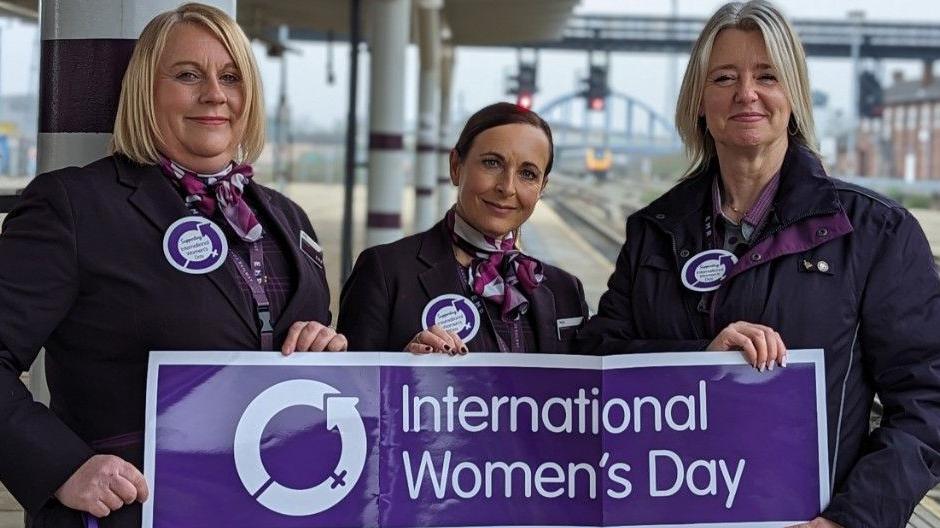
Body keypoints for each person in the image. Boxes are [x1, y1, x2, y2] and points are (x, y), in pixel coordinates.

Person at [577, 1, 940, 527]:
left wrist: (850, 519)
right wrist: (700, 358)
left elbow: (926, 398)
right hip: (669, 512)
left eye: (767, 75)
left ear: (792, 93)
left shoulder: (875, 232)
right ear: (699, 101)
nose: (746, 93)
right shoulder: (654, 231)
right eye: (724, 77)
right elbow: (597, 363)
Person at [0, 4, 345, 526]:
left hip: (275, 506)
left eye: (230, 77)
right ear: (145, 89)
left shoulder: (288, 220)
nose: (214, 94)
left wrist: (329, 352)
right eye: (188, 75)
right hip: (131, 514)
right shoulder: (75, 207)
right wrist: (62, 468)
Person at [338, 102, 588, 354]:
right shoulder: (385, 273)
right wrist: (403, 372)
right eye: (492, 163)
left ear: (542, 187)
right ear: (456, 166)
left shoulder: (565, 291)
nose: (507, 187)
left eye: (528, 174)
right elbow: (352, 388)